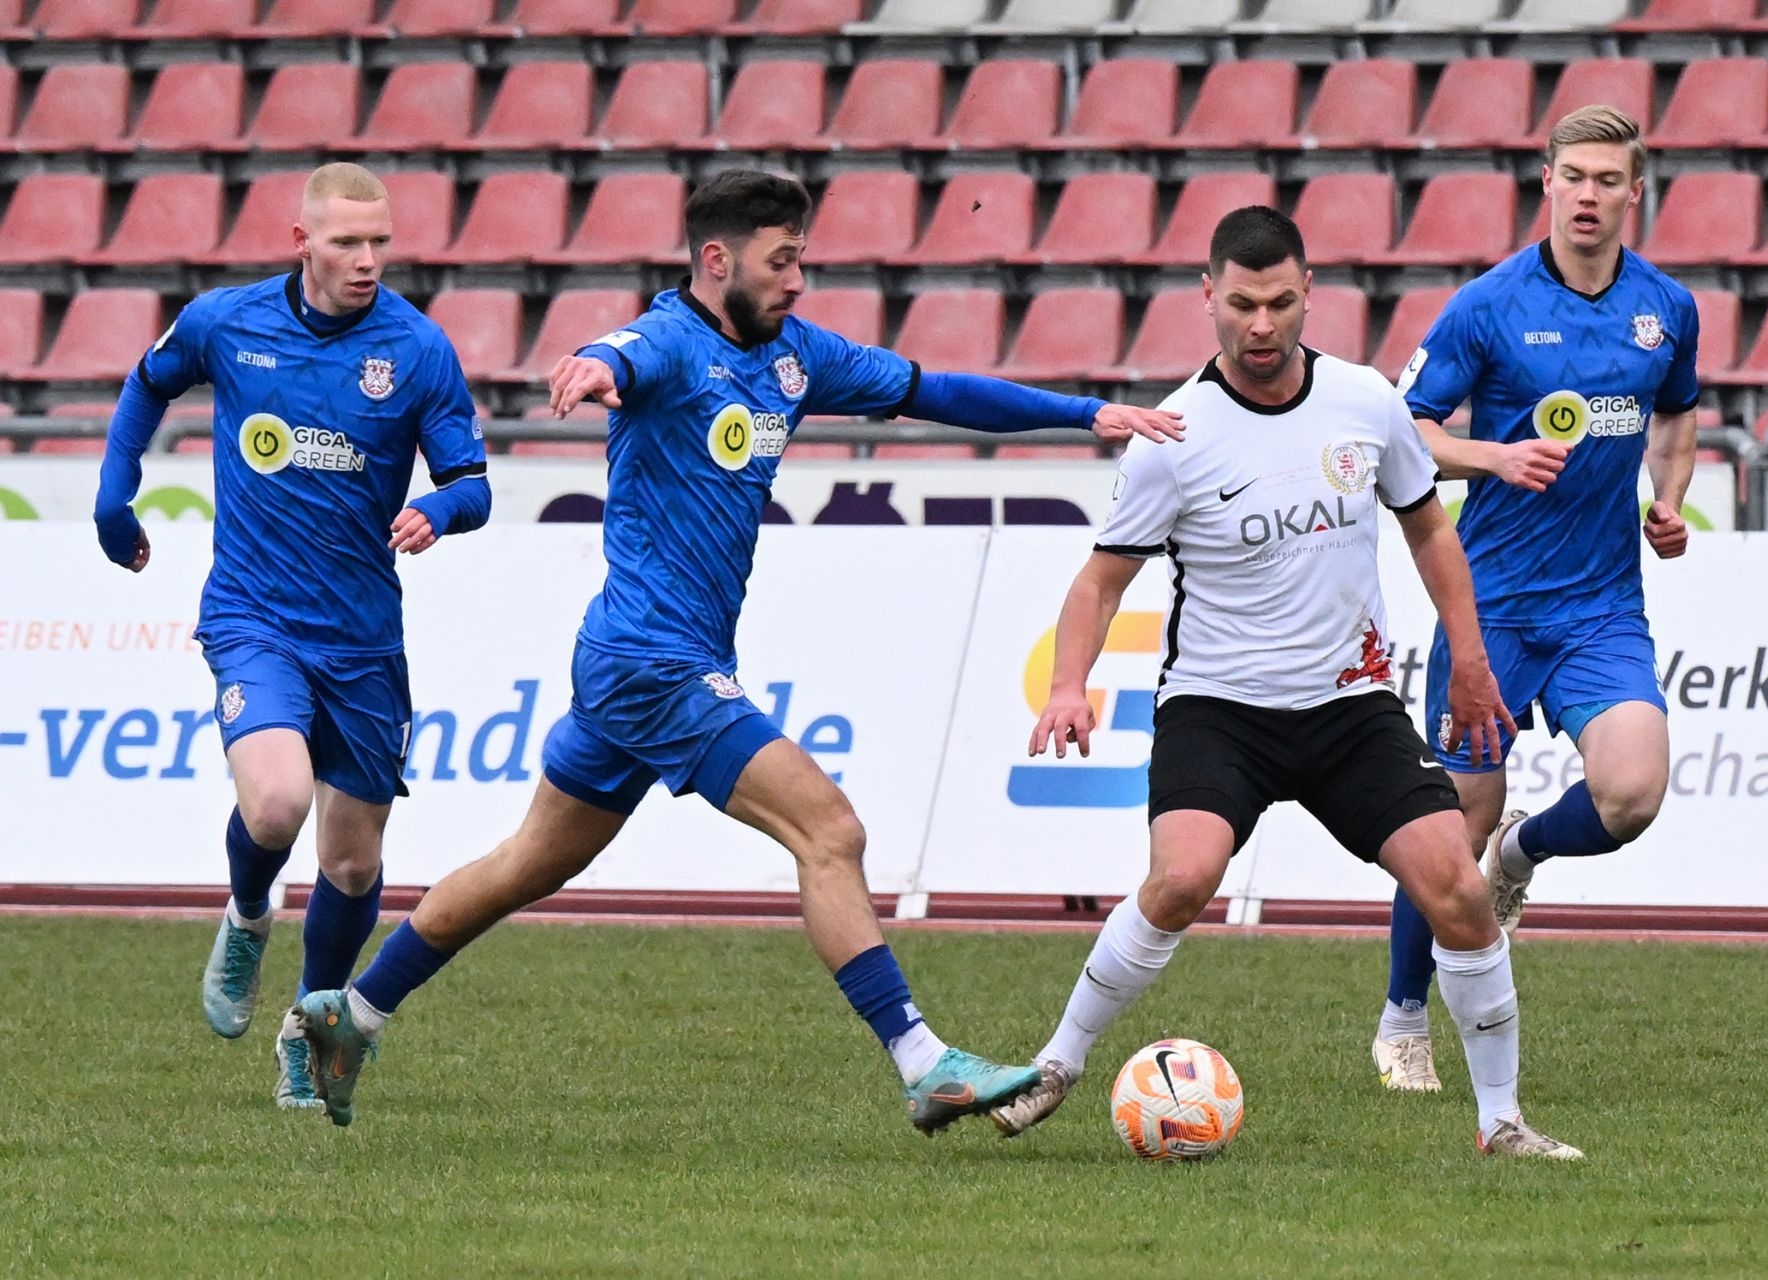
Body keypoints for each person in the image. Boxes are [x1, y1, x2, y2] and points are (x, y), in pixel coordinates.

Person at [293, 169, 1185, 1132]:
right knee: (830, 832)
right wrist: (592, 365)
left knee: (526, 864)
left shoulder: (797, 355)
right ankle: (923, 1063)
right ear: (717, 261)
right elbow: (622, 354)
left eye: (801, 258)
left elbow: (934, 391)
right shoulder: (670, 341)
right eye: (781, 261)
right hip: (654, 665)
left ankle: (354, 1014)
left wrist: (1084, 414)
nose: (797, 279)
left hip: (629, 663)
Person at [988, 206, 1581, 1159]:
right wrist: (1067, 685)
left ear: (1309, 293)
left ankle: (1501, 1122)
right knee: (1181, 879)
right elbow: (1101, 581)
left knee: (1460, 893)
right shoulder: (1173, 436)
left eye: (1278, 303)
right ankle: (1055, 1065)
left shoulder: (1365, 402)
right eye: (1240, 305)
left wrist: (1470, 662)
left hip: (1350, 705)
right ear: (1207, 298)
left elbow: (1430, 531)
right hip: (1218, 709)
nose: (1260, 325)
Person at [91, 163, 492, 1110]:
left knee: (351, 862)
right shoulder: (227, 322)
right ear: (302, 241)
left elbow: (472, 482)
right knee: (276, 806)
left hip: (362, 638)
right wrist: (114, 494)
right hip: (254, 616)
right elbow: (147, 385)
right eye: (348, 242)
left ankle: (306, 1028)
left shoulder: (417, 348)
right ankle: (245, 915)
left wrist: (440, 510)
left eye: (380, 241)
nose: (367, 259)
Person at [1370, 105, 1700, 1093]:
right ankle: (1402, 1019)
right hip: (1492, 607)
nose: (1589, 195)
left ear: (1635, 192)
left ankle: (1521, 853)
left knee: (1632, 793)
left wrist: (1669, 498)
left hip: (1602, 606)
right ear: (1546, 183)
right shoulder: (1487, 306)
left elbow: (1676, 417)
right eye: (1574, 177)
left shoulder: (1668, 309)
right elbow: (1403, 431)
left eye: (1608, 179)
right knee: (1449, 827)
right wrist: (1495, 456)